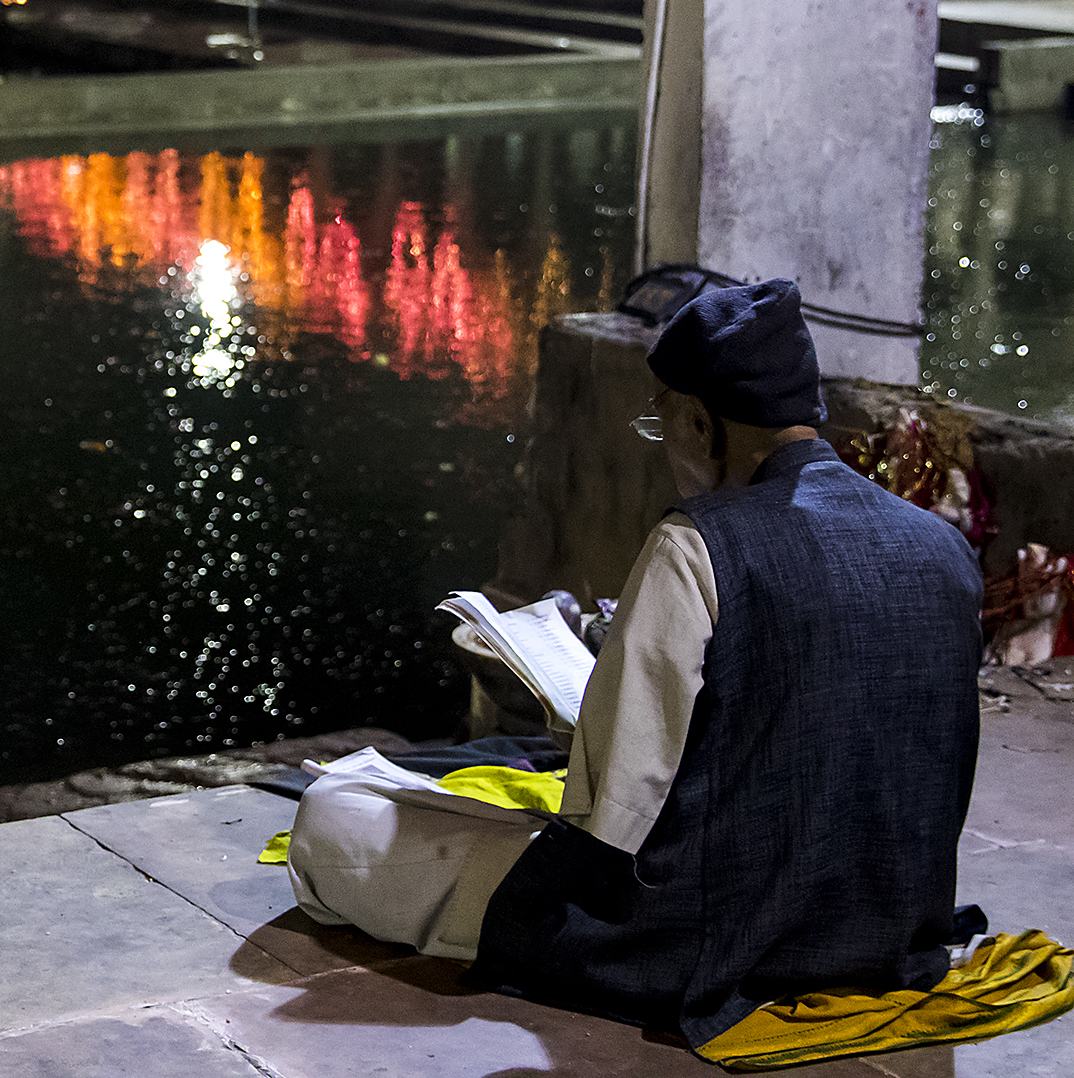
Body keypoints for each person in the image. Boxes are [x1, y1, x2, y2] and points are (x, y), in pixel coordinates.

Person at [287, 279, 984, 1048]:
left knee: (335, 814)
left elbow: (612, 818)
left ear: (699, 421)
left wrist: (578, 729)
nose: (668, 452)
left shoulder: (697, 543)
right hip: (889, 926)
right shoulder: (943, 547)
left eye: (665, 425)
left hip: (713, 935)